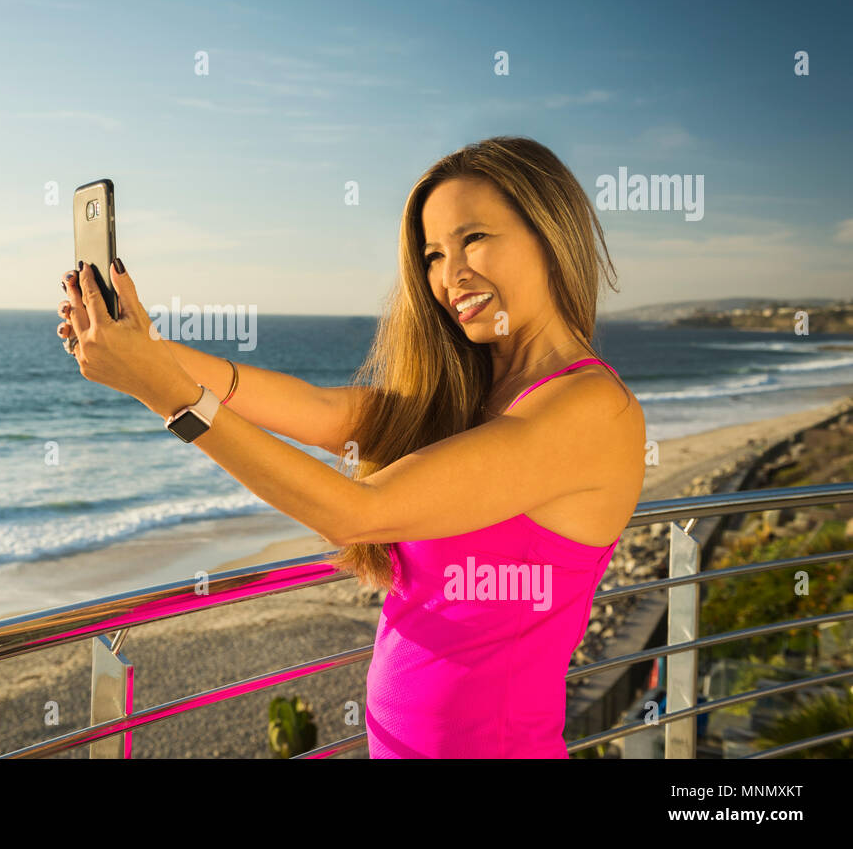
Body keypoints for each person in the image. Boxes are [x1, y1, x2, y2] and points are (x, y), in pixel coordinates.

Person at [54, 135, 646, 758]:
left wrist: (171, 396)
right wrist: (146, 351)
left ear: (551, 235)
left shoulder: (591, 411)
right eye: (433, 254)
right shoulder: (471, 396)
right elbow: (317, 410)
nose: (451, 276)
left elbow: (354, 510)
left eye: (474, 239)